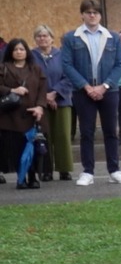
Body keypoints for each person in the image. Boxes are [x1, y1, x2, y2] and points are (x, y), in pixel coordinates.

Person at [59, 0, 121, 186]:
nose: (92, 15)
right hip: (83, 92)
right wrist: (86, 86)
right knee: (87, 132)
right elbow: (66, 64)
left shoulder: (112, 37)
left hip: (109, 91)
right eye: (88, 12)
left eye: (96, 12)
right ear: (82, 14)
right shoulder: (70, 38)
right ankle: (87, 172)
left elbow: (120, 64)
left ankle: (114, 170)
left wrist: (104, 86)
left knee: (111, 132)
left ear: (100, 15)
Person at [1, 38, 49, 187]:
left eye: (22, 49)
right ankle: (20, 179)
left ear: (27, 51)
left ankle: (33, 177)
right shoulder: (4, 68)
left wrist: (40, 107)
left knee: (33, 147)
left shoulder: (35, 68)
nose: (19, 52)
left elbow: (42, 89)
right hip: (11, 117)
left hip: (33, 115)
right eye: (15, 49)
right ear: (11, 52)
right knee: (17, 148)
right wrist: (12, 90)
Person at [31, 26, 73, 182]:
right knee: (44, 136)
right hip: (40, 103)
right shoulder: (31, 57)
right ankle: (46, 170)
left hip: (62, 101)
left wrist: (55, 93)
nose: (42, 38)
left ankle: (64, 169)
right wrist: (45, 97)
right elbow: (30, 80)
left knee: (62, 135)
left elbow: (70, 77)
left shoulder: (63, 56)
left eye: (45, 35)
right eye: (39, 36)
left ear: (52, 38)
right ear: (35, 39)